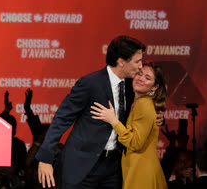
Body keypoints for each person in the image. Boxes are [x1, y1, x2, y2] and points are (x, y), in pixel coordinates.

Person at [35, 36, 146, 189]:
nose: (141, 66)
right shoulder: (90, 83)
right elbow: (61, 119)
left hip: (113, 167)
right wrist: (46, 158)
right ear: (121, 61)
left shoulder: (129, 85)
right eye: (137, 61)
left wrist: (156, 116)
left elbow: (149, 95)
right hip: (81, 167)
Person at [90, 61, 168, 189]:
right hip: (129, 167)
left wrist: (113, 121)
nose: (141, 79)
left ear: (154, 87)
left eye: (147, 78)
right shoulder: (132, 96)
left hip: (141, 172)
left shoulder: (144, 104)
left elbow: (135, 143)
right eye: (140, 74)